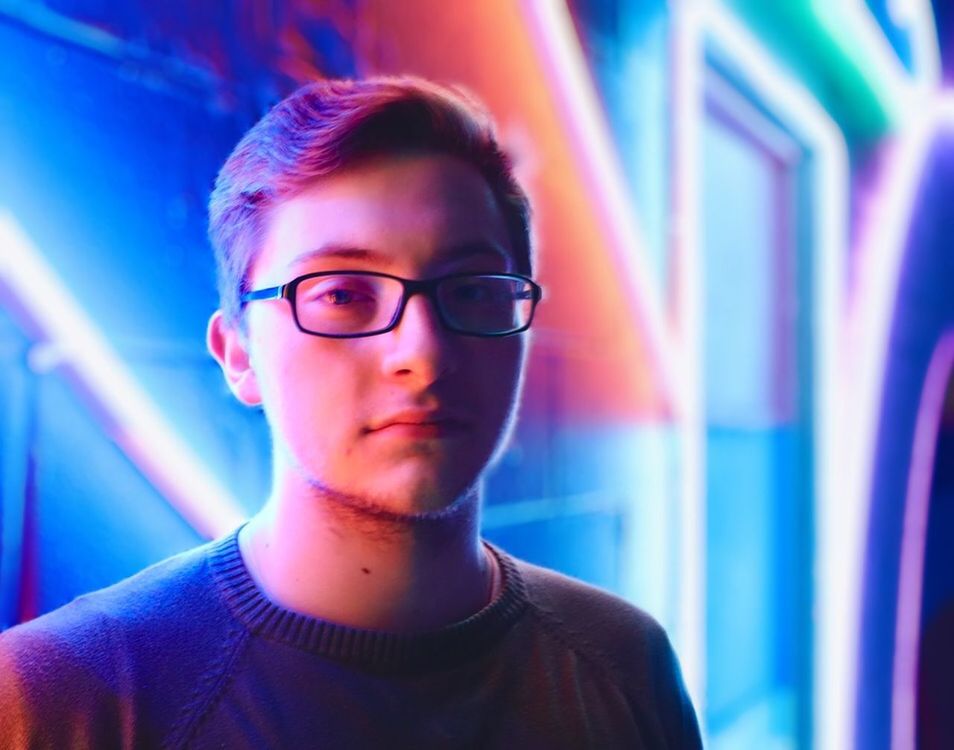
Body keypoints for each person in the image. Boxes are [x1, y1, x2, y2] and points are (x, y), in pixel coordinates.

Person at [0, 76, 702, 749]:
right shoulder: (59, 698)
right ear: (237, 354)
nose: (422, 353)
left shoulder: (626, 663)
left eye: (474, 289)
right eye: (341, 294)